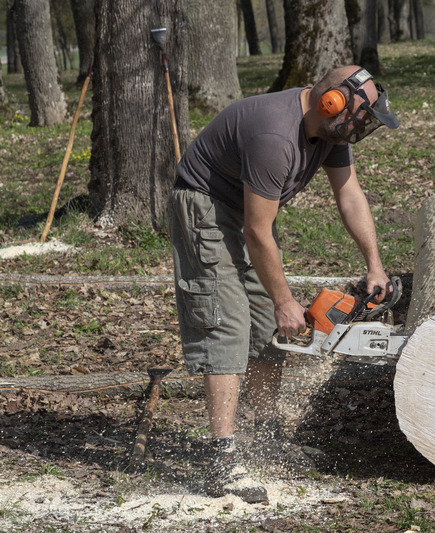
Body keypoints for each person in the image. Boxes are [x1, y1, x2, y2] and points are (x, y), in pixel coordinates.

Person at [168, 65, 399, 503]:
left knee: (269, 331)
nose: (362, 127)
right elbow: (258, 231)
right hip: (205, 207)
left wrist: (374, 265)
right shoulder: (274, 136)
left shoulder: (330, 133)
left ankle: (267, 438)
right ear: (331, 102)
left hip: (248, 212)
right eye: (359, 116)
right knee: (227, 324)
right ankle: (222, 458)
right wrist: (284, 299)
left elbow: (349, 195)